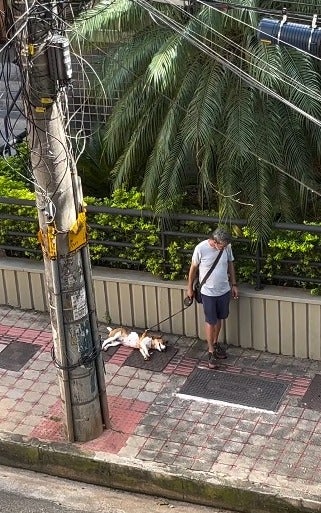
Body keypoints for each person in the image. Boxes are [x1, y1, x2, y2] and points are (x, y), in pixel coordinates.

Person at [187, 227, 239, 369]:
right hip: (208, 292)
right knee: (211, 321)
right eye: (222, 245)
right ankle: (210, 351)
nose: (224, 248)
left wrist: (234, 284)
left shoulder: (227, 247)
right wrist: (189, 288)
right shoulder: (201, 248)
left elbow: (230, 264)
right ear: (214, 242)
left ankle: (215, 343)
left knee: (220, 318)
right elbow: (193, 269)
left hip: (224, 290)